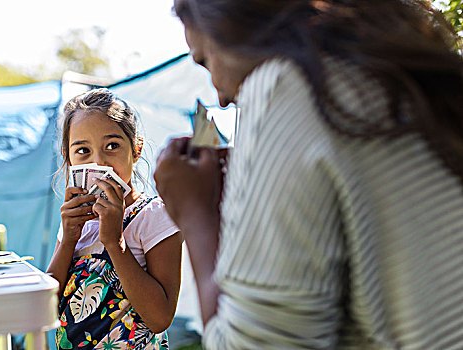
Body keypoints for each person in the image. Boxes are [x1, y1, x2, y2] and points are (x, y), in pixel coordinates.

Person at [153, 0, 463, 348]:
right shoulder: (397, 73)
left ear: (239, 27)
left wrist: (194, 214)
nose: (221, 97)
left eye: (206, 61)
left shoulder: (286, 83)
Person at [47, 88, 182, 349]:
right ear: (68, 158)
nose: (99, 163)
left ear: (136, 150)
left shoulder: (154, 217)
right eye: (83, 150)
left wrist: (114, 242)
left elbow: (159, 318)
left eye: (112, 146)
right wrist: (68, 241)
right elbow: (44, 310)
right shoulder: (76, 222)